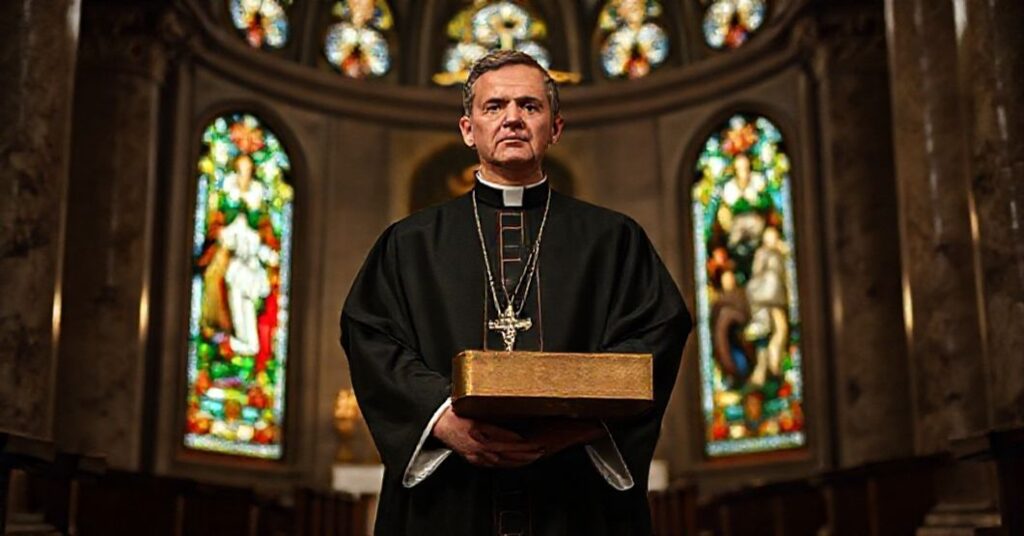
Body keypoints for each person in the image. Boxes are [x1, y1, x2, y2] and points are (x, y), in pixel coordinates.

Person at [340, 50, 690, 535]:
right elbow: (369, 336)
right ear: (468, 129)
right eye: (494, 106)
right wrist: (443, 420)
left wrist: (575, 427)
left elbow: (658, 334)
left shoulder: (614, 239)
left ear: (556, 127)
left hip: (575, 490)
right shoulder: (411, 242)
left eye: (529, 106)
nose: (512, 119)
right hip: (450, 494)